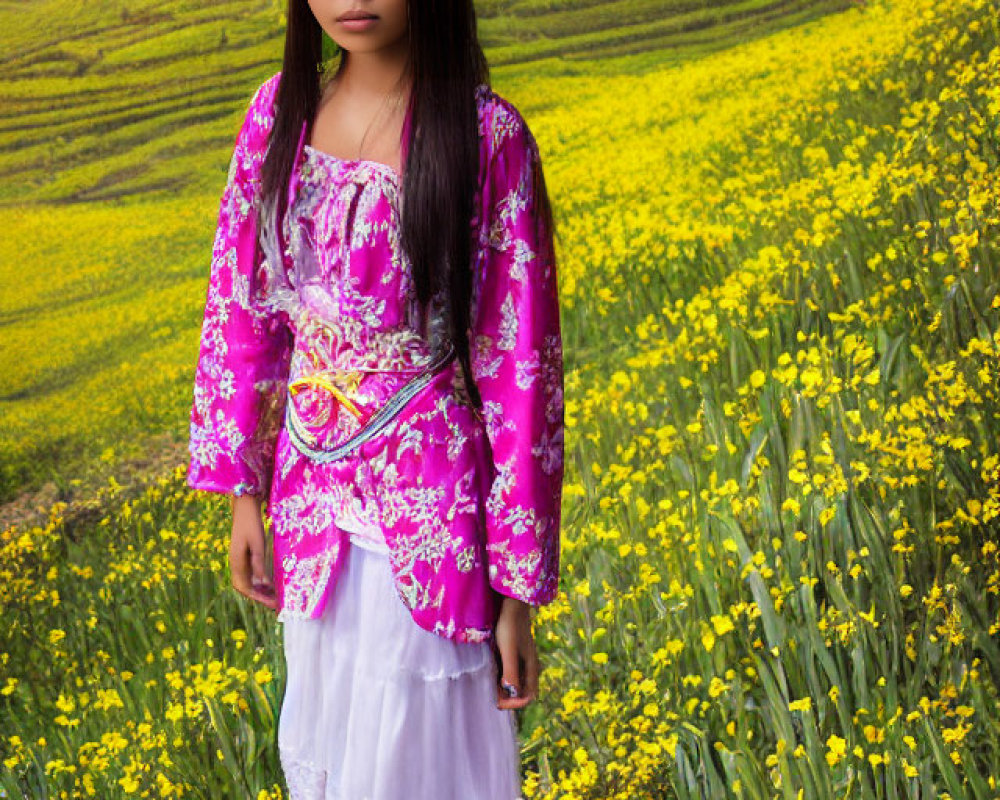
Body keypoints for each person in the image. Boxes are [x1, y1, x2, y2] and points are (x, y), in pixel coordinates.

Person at [185, 0, 564, 797]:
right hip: (307, 506)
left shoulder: (487, 139)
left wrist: (519, 590)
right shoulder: (275, 117)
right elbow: (241, 311)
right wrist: (243, 491)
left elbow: (520, 368)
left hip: (430, 514)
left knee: (405, 753)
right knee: (331, 733)